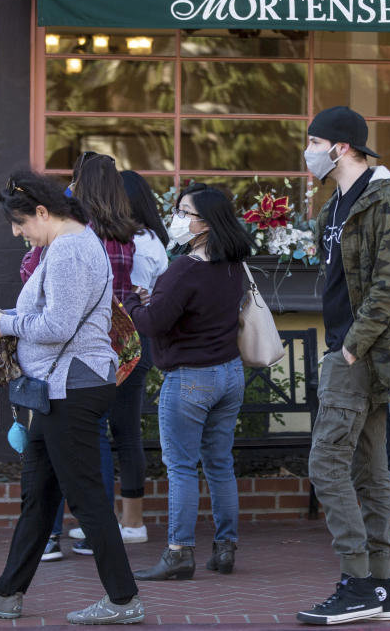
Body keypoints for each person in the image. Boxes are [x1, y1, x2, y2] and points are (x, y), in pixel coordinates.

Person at [0, 171, 143, 625]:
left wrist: (7, 325)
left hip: (71, 389)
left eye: (19, 223)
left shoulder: (70, 250)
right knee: (39, 497)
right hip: (60, 389)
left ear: (42, 211)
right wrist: (6, 314)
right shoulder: (64, 246)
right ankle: (6, 593)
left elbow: (58, 327)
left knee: (87, 498)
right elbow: (53, 315)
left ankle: (123, 599)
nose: (17, 233)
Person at [297, 106, 390, 625]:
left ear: (340, 146)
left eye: (312, 142)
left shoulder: (386, 197)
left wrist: (352, 345)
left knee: (325, 463)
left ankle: (357, 580)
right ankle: (380, 587)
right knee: (368, 470)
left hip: (361, 352)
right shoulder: (340, 201)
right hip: (351, 349)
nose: (306, 151)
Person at [124, 183, 252, 580]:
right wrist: (156, 301)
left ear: (206, 223)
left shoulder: (183, 269)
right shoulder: (234, 265)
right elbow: (193, 312)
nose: (177, 219)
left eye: (185, 212)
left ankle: (180, 552)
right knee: (219, 465)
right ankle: (225, 548)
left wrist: (131, 302)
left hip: (190, 380)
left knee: (181, 467)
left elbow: (152, 323)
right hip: (230, 374)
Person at [32, 153, 139, 560]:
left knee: (58, 441)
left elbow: (35, 275)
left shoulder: (73, 237)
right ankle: (98, 533)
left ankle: (52, 535)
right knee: (102, 440)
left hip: (71, 352)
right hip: (119, 349)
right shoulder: (127, 235)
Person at [113, 170, 169, 542]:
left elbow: (135, 294)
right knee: (122, 430)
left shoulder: (138, 243)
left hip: (129, 340)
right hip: (132, 340)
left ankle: (132, 521)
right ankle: (124, 518)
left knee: (123, 430)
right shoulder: (149, 239)